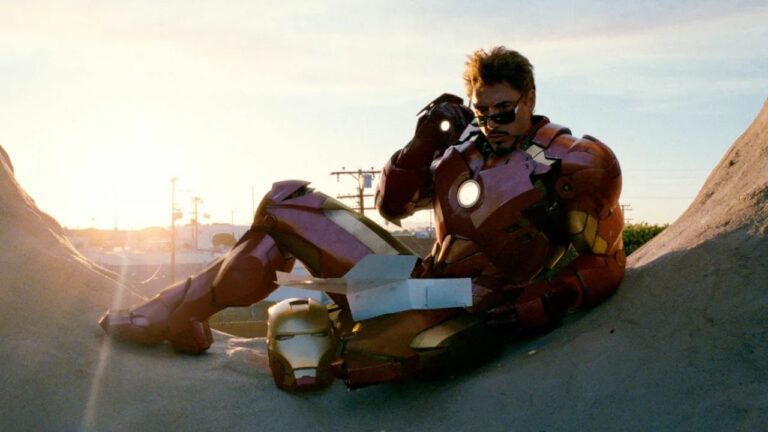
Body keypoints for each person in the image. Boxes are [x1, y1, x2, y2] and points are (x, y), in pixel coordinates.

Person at [100, 46, 625, 390]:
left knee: (371, 353)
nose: (491, 123)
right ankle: (184, 312)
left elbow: (608, 260)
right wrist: (422, 144)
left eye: (503, 111)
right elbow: (393, 208)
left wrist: (553, 298)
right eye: (481, 111)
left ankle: (186, 317)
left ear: (529, 97)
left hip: (480, 306)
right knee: (286, 203)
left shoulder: (573, 163)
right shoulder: (463, 150)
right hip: (418, 281)